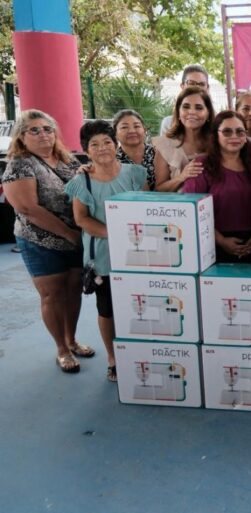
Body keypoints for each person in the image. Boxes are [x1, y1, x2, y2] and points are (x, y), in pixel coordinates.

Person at [1, 110, 92, 374]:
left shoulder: (66, 158)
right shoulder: (20, 164)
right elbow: (28, 208)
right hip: (40, 241)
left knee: (74, 291)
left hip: (75, 239)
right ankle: (61, 350)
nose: (43, 134)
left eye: (47, 129)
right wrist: (69, 233)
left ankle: (72, 341)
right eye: (34, 130)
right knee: (53, 295)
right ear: (21, 136)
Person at [65, 121, 147, 382]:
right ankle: (113, 358)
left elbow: (145, 208)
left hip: (138, 254)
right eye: (94, 145)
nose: (102, 149)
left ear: (116, 144)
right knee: (107, 309)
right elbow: (82, 219)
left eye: (107, 142)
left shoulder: (135, 173)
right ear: (86, 151)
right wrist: (117, 232)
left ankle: (139, 353)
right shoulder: (82, 181)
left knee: (138, 305)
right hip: (104, 256)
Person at [183, 111, 251, 264]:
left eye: (240, 132)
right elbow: (193, 210)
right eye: (227, 131)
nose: (234, 136)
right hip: (213, 245)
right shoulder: (201, 165)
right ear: (215, 135)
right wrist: (221, 240)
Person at [154, 86, 214, 192]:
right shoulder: (165, 145)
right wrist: (182, 177)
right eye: (186, 107)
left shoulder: (218, 142)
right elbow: (159, 189)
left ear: (208, 113)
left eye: (199, 108)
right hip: (179, 207)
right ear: (178, 112)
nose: (191, 112)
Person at [159, 64, 210, 136]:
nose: (196, 87)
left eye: (201, 84)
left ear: (207, 88)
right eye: (191, 83)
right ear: (182, 86)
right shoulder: (168, 124)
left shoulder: (218, 125)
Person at [113, 109, 156, 191]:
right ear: (115, 134)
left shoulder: (158, 153)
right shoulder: (112, 160)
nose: (132, 131)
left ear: (145, 130)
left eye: (136, 126)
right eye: (124, 127)